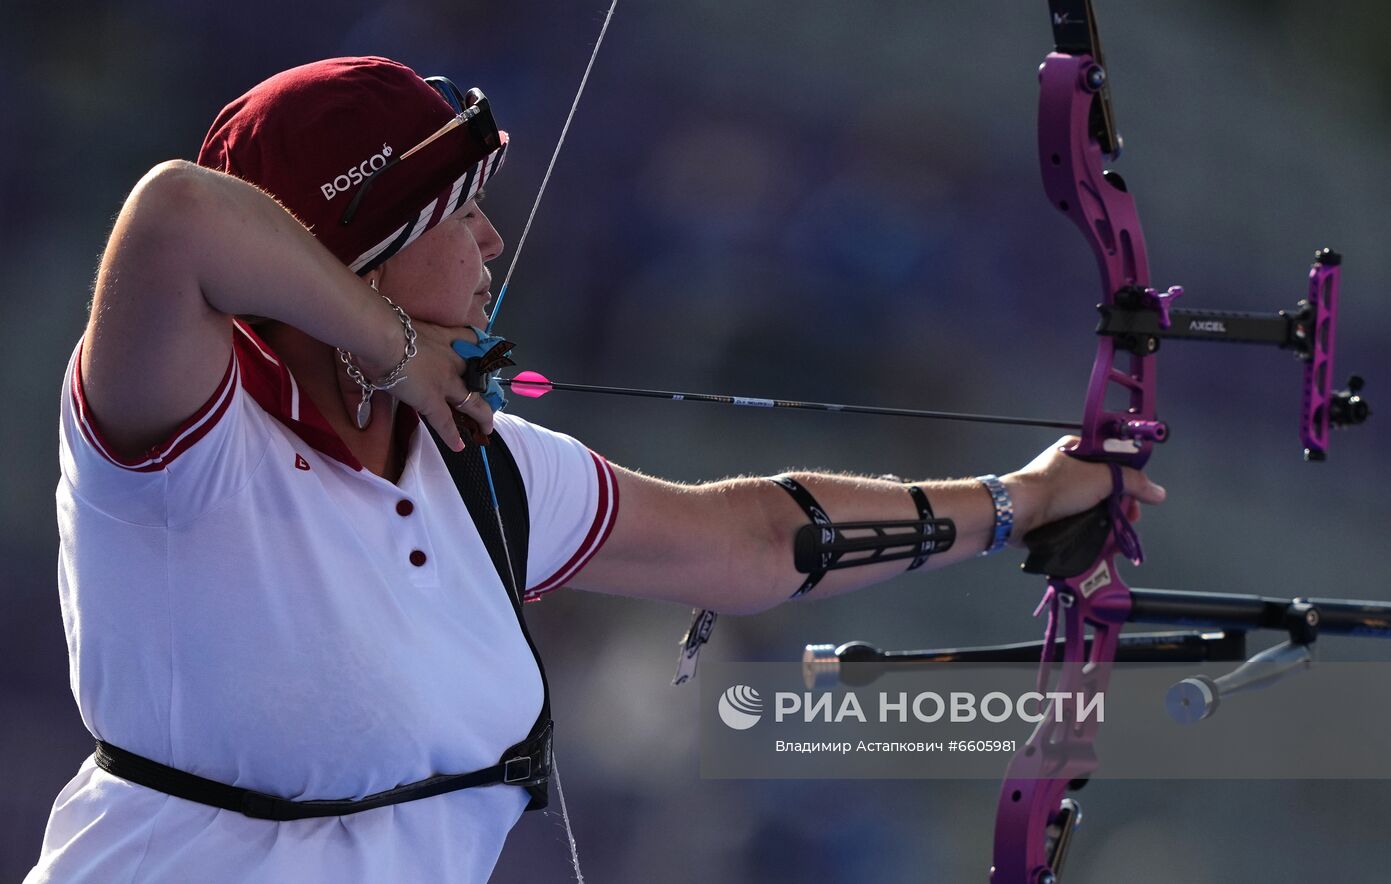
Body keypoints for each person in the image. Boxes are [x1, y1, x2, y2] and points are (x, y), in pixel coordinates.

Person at [26, 56, 1165, 883]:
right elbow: (176, 213)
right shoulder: (186, 444)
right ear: (357, 246)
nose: (491, 243)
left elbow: (752, 540)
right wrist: (393, 347)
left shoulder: (479, 468)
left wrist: (1027, 496)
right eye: (457, 212)